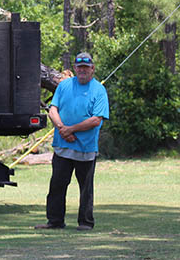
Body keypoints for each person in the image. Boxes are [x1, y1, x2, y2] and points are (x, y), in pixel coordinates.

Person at [34, 52, 110, 231]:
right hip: (63, 146)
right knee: (57, 185)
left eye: (86, 67)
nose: (82, 70)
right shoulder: (64, 86)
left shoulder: (99, 90)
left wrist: (71, 129)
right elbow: (53, 109)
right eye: (79, 67)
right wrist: (62, 129)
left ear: (92, 69)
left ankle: (85, 223)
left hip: (86, 148)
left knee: (85, 188)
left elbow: (96, 120)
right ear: (74, 68)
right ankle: (54, 221)